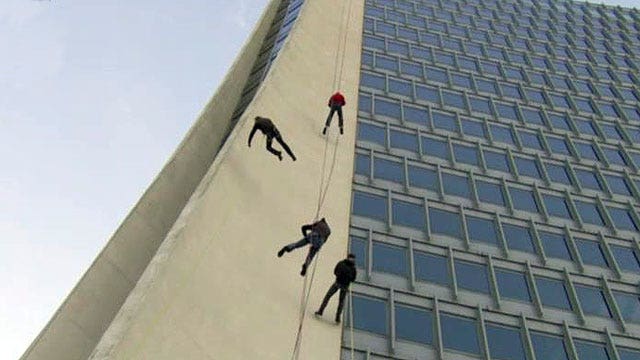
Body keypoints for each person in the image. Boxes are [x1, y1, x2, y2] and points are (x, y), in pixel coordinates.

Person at [314, 254, 357, 324]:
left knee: (341, 302)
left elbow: (353, 279)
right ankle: (320, 311)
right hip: (338, 282)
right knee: (328, 296)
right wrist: (339, 275)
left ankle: (337, 317)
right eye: (351, 258)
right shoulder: (342, 264)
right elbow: (335, 271)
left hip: (344, 285)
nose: (352, 260)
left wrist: (347, 277)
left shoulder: (353, 268)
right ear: (348, 258)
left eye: (353, 259)